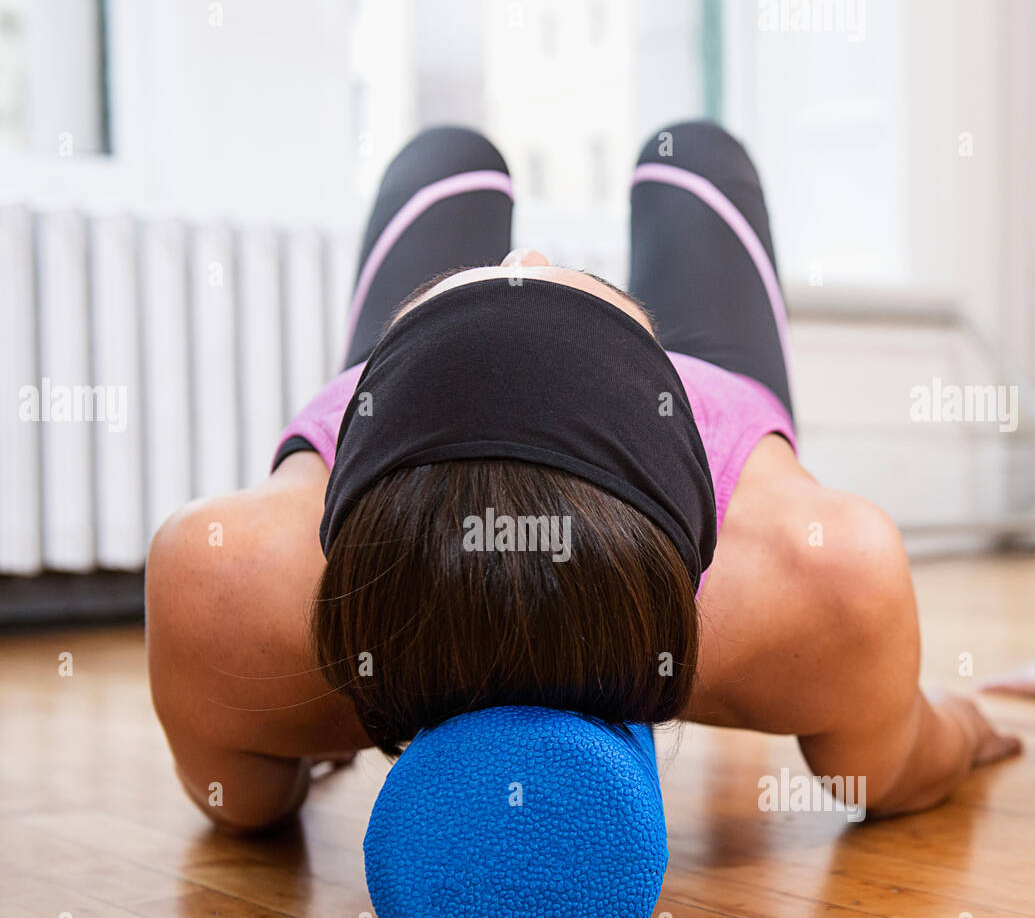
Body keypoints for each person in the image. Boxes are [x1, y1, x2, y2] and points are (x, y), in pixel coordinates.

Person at [146, 122, 1020, 833]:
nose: (524, 259)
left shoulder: (221, 574)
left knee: (446, 157)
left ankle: (455, 190)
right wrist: (960, 720)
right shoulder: (825, 571)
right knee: (693, 149)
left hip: (393, 593)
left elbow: (242, 800)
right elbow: (896, 765)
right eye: (556, 283)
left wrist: (323, 726)